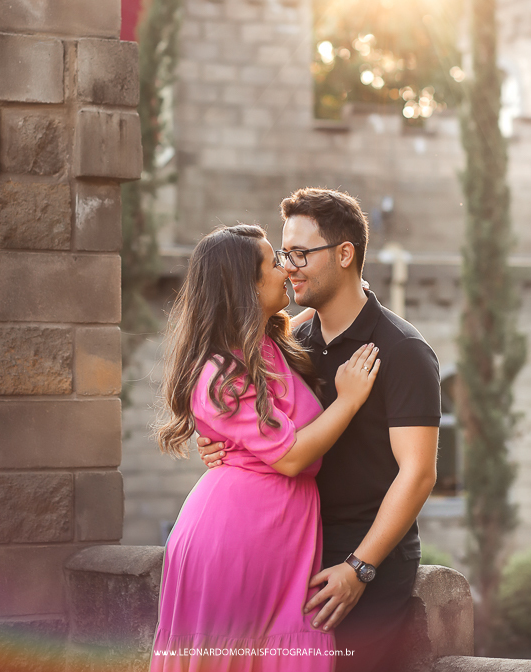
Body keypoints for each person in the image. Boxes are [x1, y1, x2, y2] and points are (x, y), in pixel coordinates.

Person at [198, 189, 441, 672]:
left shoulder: (402, 350)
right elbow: (258, 423)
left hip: (363, 558)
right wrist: (225, 445)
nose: (289, 267)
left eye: (301, 254)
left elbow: (418, 474)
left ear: (345, 254)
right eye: (284, 254)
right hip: (288, 549)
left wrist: (359, 567)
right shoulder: (292, 344)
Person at [151, 223, 381, 672]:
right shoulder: (220, 372)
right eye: (274, 263)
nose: (286, 269)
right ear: (248, 287)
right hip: (238, 539)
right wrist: (349, 400)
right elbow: (291, 456)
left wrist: (343, 296)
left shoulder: (265, 344)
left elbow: (291, 332)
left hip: (277, 533)